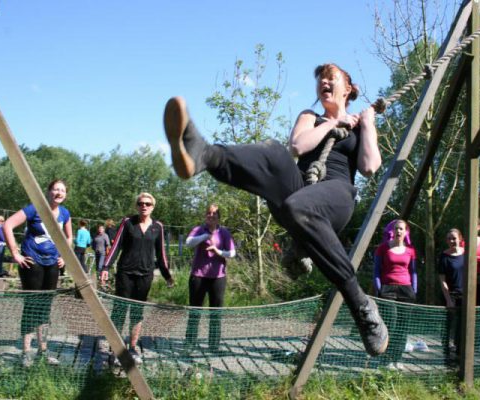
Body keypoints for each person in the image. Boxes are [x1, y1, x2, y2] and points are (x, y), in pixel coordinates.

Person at [163, 63, 388, 356]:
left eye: (331, 78)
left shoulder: (360, 125)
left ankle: (361, 305)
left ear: (348, 88)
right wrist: (332, 124)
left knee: (300, 206)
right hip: (301, 193)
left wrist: (368, 122)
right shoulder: (311, 116)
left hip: (337, 194)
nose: (324, 82)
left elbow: (370, 166)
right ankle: (204, 154)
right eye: (320, 79)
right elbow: (297, 146)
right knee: (275, 152)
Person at [2, 179, 73, 367]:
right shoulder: (34, 209)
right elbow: (7, 225)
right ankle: (26, 351)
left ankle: (43, 350)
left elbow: (69, 236)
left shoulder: (65, 213)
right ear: (48, 192)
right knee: (32, 306)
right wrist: (16, 253)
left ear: (65, 194)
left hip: (52, 265)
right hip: (32, 263)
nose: (58, 193)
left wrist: (64, 256)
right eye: (55, 189)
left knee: (45, 307)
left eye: (62, 190)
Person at [101, 192, 174, 365]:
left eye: (148, 204)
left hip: (145, 275)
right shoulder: (127, 223)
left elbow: (161, 254)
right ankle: (116, 349)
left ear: (153, 207)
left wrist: (167, 276)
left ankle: (133, 348)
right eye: (141, 203)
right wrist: (106, 267)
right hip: (125, 273)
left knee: (137, 312)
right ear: (137, 205)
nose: (144, 206)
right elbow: (116, 246)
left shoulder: (158, 227)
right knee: (119, 310)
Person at [184, 204, 236, 351]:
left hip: (218, 278)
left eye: (214, 214)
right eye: (208, 213)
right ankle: (190, 344)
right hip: (198, 276)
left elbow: (232, 253)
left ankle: (213, 345)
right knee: (195, 311)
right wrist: (205, 237)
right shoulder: (198, 229)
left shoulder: (224, 233)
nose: (211, 216)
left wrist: (217, 251)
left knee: (215, 313)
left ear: (219, 217)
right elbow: (188, 243)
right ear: (205, 215)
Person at [373, 219, 417, 364]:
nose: (398, 231)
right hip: (388, 289)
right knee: (390, 323)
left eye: (401, 229)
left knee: (403, 326)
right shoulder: (383, 248)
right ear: (392, 231)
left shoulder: (411, 250)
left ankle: (397, 359)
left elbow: (413, 272)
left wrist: (414, 290)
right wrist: (379, 289)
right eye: (396, 228)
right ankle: (385, 359)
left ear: (406, 232)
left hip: (406, 289)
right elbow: (376, 271)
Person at [438, 228, 464, 363]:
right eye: (449, 238)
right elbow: (442, 280)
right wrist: (448, 300)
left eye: (454, 238)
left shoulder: (467, 254)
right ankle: (446, 353)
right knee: (447, 325)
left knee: (462, 326)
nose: (452, 241)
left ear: (460, 238)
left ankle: (460, 353)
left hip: (465, 295)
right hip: (449, 294)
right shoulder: (444, 257)